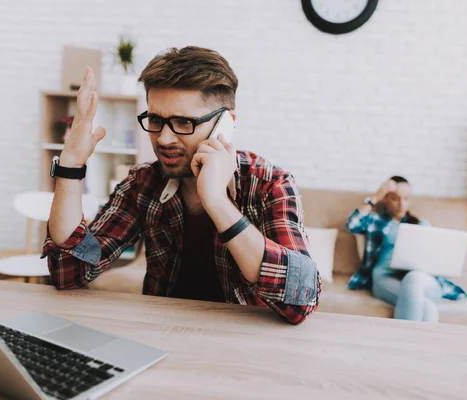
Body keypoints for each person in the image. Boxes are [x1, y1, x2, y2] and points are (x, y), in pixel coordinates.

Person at [42, 46, 320, 324]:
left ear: (226, 124)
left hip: (245, 345)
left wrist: (217, 202)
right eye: (155, 120)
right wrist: (71, 165)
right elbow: (69, 272)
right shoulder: (143, 183)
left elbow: (299, 302)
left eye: (183, 122)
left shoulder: (270, 184)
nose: (163, 139)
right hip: (161, 335)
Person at [345, 176, 466, 322]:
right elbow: (352, 225)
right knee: (428, 308)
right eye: (395, 199)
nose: (402, 205)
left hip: (420, 278)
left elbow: (433, 257)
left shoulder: (421, 224)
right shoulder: (375, 221)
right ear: (386, 198)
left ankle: (401, 343)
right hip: (384, 277)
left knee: (413, 278)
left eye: (406, 198)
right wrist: (376, 195)